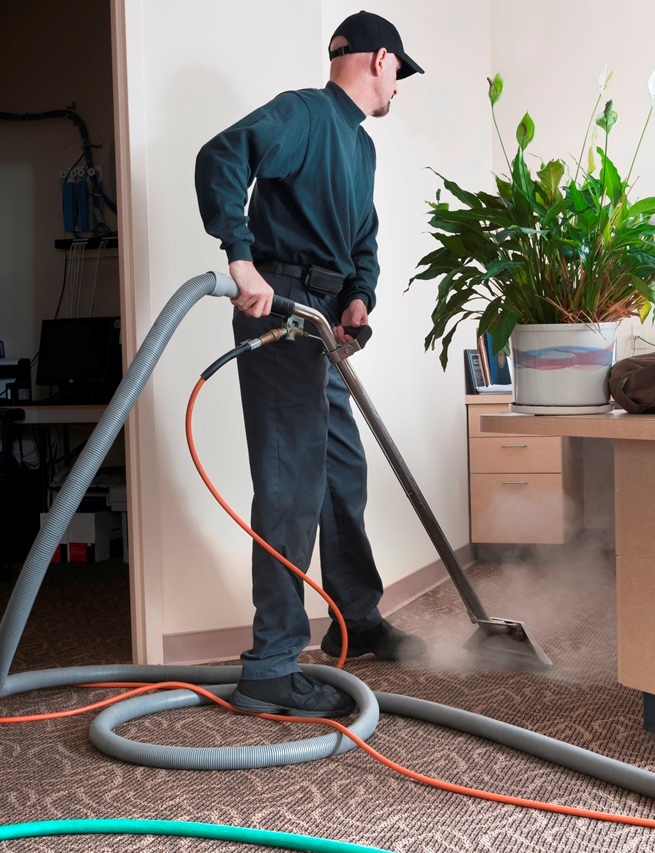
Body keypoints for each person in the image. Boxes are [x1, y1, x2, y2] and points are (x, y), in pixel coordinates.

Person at [195, 10, 427, 719]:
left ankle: (354, 619)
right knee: (290, 483)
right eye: (399, 72)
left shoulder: (360, 147)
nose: (398, 87)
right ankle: (270, 666)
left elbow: (363, 238)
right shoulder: (302, 113)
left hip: (325, 322)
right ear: (379, 59)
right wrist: (240, 259)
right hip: (280, 309)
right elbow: (221, 156)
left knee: (340, 473)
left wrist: (359, 296)